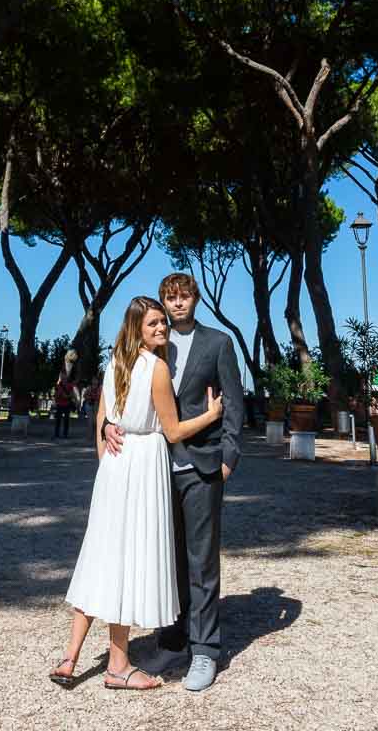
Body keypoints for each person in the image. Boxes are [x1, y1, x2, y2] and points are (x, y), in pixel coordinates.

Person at [49, 296, 223, 692]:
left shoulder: (114, 365)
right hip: (142, 462)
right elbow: (174, 430)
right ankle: (119, 666)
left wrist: (106, 466)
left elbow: (101, 420)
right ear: (137, 330)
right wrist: (211, 416)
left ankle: (71, 657)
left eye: (163, 323)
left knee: (101, 557)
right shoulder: (157, 368)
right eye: (153, 325)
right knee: (126, 564)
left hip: (114, 467)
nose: (161, 329)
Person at [105, 272, 244, 693]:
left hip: (201, 468)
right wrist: (106, 428)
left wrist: (228, 461)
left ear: (196, 299)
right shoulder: (151, 346)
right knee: (168, 560)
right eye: (171, 298)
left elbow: (234, 404)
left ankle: (205, 650)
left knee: (201, 563)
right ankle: (174, 637)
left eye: (184, 297)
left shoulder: (218, 343)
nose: (178, 304)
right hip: (154, 472)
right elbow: (122, 398)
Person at [52, 369, 76, 440]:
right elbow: (55, 395)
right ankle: (56, 434)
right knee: (58, 420)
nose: (63, 376)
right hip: (59, 404)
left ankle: (65, 434)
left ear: (66, 376)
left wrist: (67, 396)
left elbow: (72, 394)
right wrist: (59, 396)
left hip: (67, 404)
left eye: (64, 375)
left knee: (66, 420)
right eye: (61, 375)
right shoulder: (57, 385)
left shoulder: (70, 385)